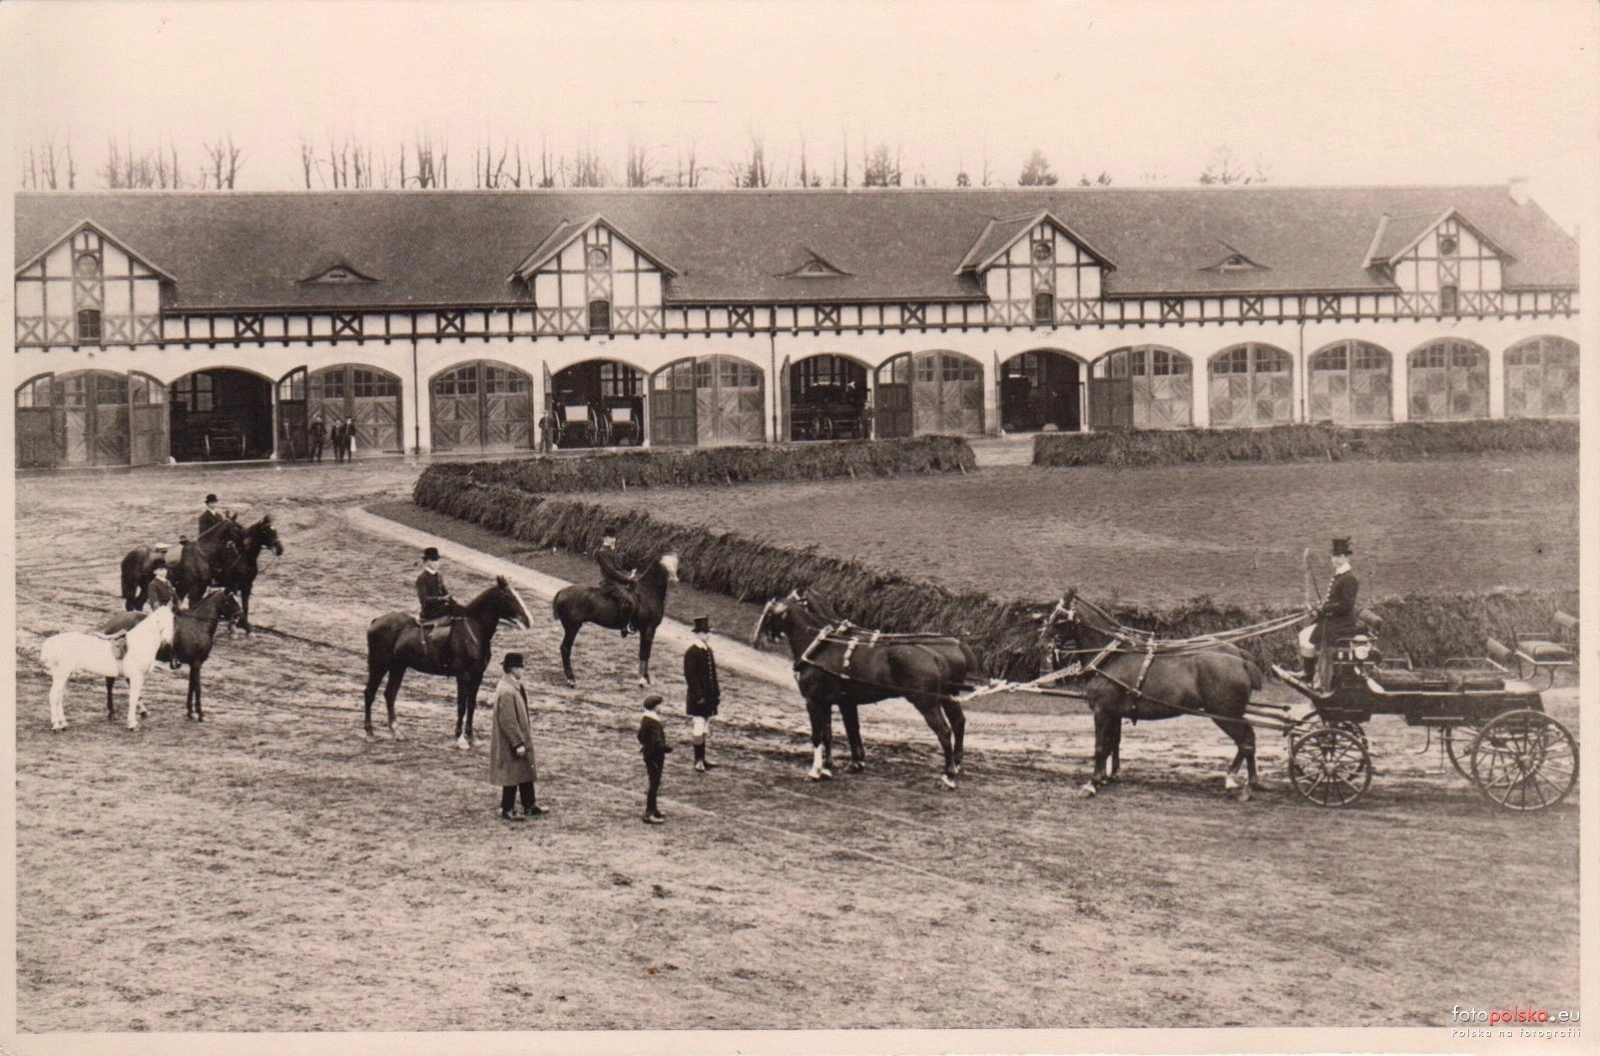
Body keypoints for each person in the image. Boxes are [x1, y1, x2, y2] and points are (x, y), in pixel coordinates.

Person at [490, 653, 546, 821]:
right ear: (513, 669)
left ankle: (529, 804)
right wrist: (517, 743)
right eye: (521, 667)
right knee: (512, 773)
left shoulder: (512, 686)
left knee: (523, 770)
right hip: (512, 741)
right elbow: (508, 720)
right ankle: (507, 808)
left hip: (520, 737)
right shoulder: (507, 690)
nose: (523, 670)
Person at [1299, 537, 1361, 686]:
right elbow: (1335, 601)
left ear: (1346, 558)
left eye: (1339, 556)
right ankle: (1310, 674)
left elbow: (1346, 605)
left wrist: (1325, 608)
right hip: (1334, 619)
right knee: (1304, 636)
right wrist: (1320, 609)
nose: (1335, 559)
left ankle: (1309, 676)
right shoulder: (1340, 576)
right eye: (1334, 556)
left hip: (1342, 623)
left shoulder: (1350, 578)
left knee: (1305, 637)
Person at [684, 616, 721, 772]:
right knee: (698, 727)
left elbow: (713, 675)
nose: (708, 635)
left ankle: (703, 758)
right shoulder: (692, 652)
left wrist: (716, 693)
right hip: (698, 698)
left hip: (709, 696)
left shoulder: (708, 650)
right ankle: (698, 760)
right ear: (698, 634)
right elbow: (690, 677)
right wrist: (698, 697)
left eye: (708, 632)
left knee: (705, 726)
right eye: (705, 633)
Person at [416, 547, 460, 667]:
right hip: (430, 612)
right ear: (426, 562)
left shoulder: (438, 576)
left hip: (441, 608)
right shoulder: (422, 578)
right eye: (433, 560)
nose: (436, 563)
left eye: (437, 560)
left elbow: (445, 592)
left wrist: (453, 602)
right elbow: (424, 600)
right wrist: (441, 599)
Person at [595, 526, 639, 638]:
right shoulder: (602, 553)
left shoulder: (613, 551)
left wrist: (630, 575)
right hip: (610, 584)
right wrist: (627, 579)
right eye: (610, 537)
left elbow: (619, 568)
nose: (613, 539)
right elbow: (611, 571)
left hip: (618, 583)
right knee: (629, 601)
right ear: (604, 538)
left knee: (636, 595)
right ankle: (624, 626)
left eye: (614, 537)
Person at [637, 693, 670, 824]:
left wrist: (647, 745)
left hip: (649, 754)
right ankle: (649, 813)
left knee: (654, 782)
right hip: (655, 755)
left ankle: (654, 809)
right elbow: (657, 740)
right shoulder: (654, 721)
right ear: (655, 707)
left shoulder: (645, 719)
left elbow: (640, 736)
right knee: (654, 783)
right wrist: (664, 748)